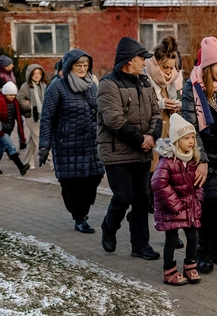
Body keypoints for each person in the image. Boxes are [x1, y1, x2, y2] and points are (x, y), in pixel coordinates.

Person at [98, 38, 162, 260]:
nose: (145, 63)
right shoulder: (109, 84)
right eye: (141, 59)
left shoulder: (144, 83)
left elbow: (156, 113)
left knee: (142, 198)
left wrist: (152, 136)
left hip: (142, 152)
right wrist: (141, 139)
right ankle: (109, 226)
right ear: (128, 60)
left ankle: (140, 245)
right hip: (117, 153)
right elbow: (113, 120)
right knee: (124, 197)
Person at [182, 36, 217, 274]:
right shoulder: (193, 87)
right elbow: (190, 127)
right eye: (215, 64)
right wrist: (202, 160)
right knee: (207, 203)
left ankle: (215, 244)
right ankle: (202, 249)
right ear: (206, 66)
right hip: (204, 154)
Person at [38, 50, 104, 232]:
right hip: (67, 145)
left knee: (94, 178)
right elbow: (47, 117)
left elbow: (100, 112)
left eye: (85, 65)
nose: (83, 69)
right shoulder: (57, 87)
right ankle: (79, 217)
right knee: (73, 184)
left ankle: (82, 208)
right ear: (69, 67)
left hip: (91, 143)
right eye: (78, 65)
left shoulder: (92, 86)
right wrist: (44, 146)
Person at [151, 113, 204, 286]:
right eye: (186, 138)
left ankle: (190, 265)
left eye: (192, 138)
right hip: (171, 209)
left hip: (189, 207)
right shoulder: (168, 161)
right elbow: (158, 183)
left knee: (193, 237)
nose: (190, 141)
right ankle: (169, 270)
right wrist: (175, 204)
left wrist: (198, 199)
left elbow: (198, 184)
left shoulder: (193, 159)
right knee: (172, 240)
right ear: (176, 141)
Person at [144, 36, 184, 251]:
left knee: (171, 190)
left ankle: (172, 233)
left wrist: (175, 105)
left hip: (170, 143)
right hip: (152, 144)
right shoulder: (144, 78)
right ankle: (140, 221)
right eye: (165, 67)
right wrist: (159, 104)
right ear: (156, 64)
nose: (169, 72)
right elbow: (141, 110)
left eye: (172, 67)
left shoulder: (174, 83)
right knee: (156, 190)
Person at [17, 64, 47, 170]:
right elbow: (20, 99)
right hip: (31, 116)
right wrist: (30, 105)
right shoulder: (25, 86)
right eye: (34, 74)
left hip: (42, 116)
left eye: (39, 73)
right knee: (39, 138)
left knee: (32, 140)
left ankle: (26, 161)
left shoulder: (44, 85)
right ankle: (53, 160)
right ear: (30, 75)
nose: (37, 75)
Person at [1, 82, 29, 175]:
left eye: (14, 94)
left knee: (0, 149)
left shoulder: (15, 103)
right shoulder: (1, 101)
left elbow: (17, 118)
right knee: (11, 147)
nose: (12, 97)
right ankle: (21, 167)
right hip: (1, 131)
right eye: (10, 95)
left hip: (8, 129)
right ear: (4, 93)